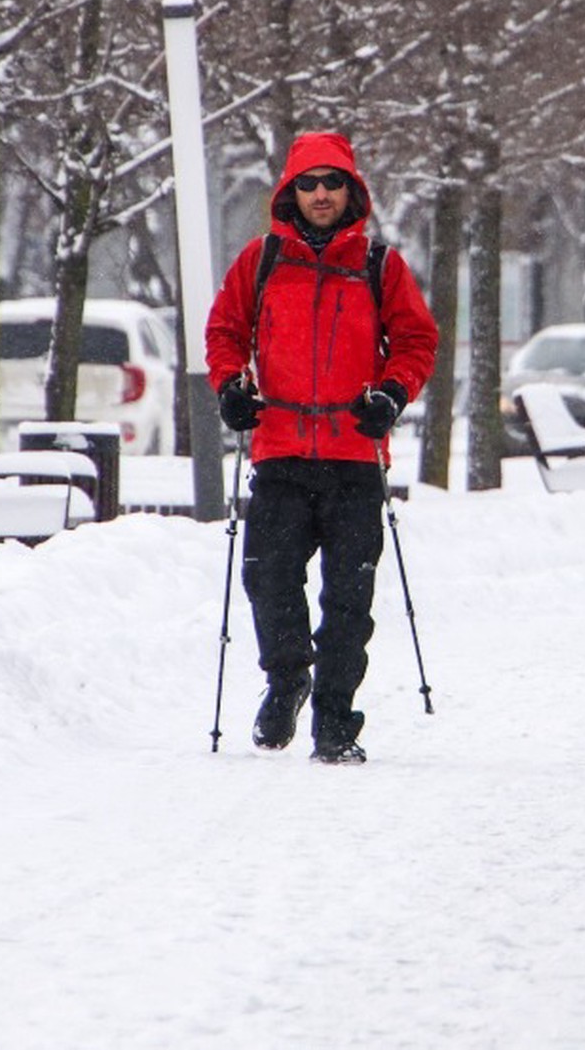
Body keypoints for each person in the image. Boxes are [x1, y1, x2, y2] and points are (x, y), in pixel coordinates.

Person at [205, 131, 438, 763]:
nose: (321, 194)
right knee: (267, 579)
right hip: (280, 453)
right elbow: (225, 330)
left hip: (354, 457)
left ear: (351, 191)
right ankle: (287, 679)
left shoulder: (378, 266)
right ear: (290, 192)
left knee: (348, 599)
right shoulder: (260, 262)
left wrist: (391, 394)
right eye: (308, 184)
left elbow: (417, 342)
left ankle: (336, 721)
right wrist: (231, 386)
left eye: (332, 183)